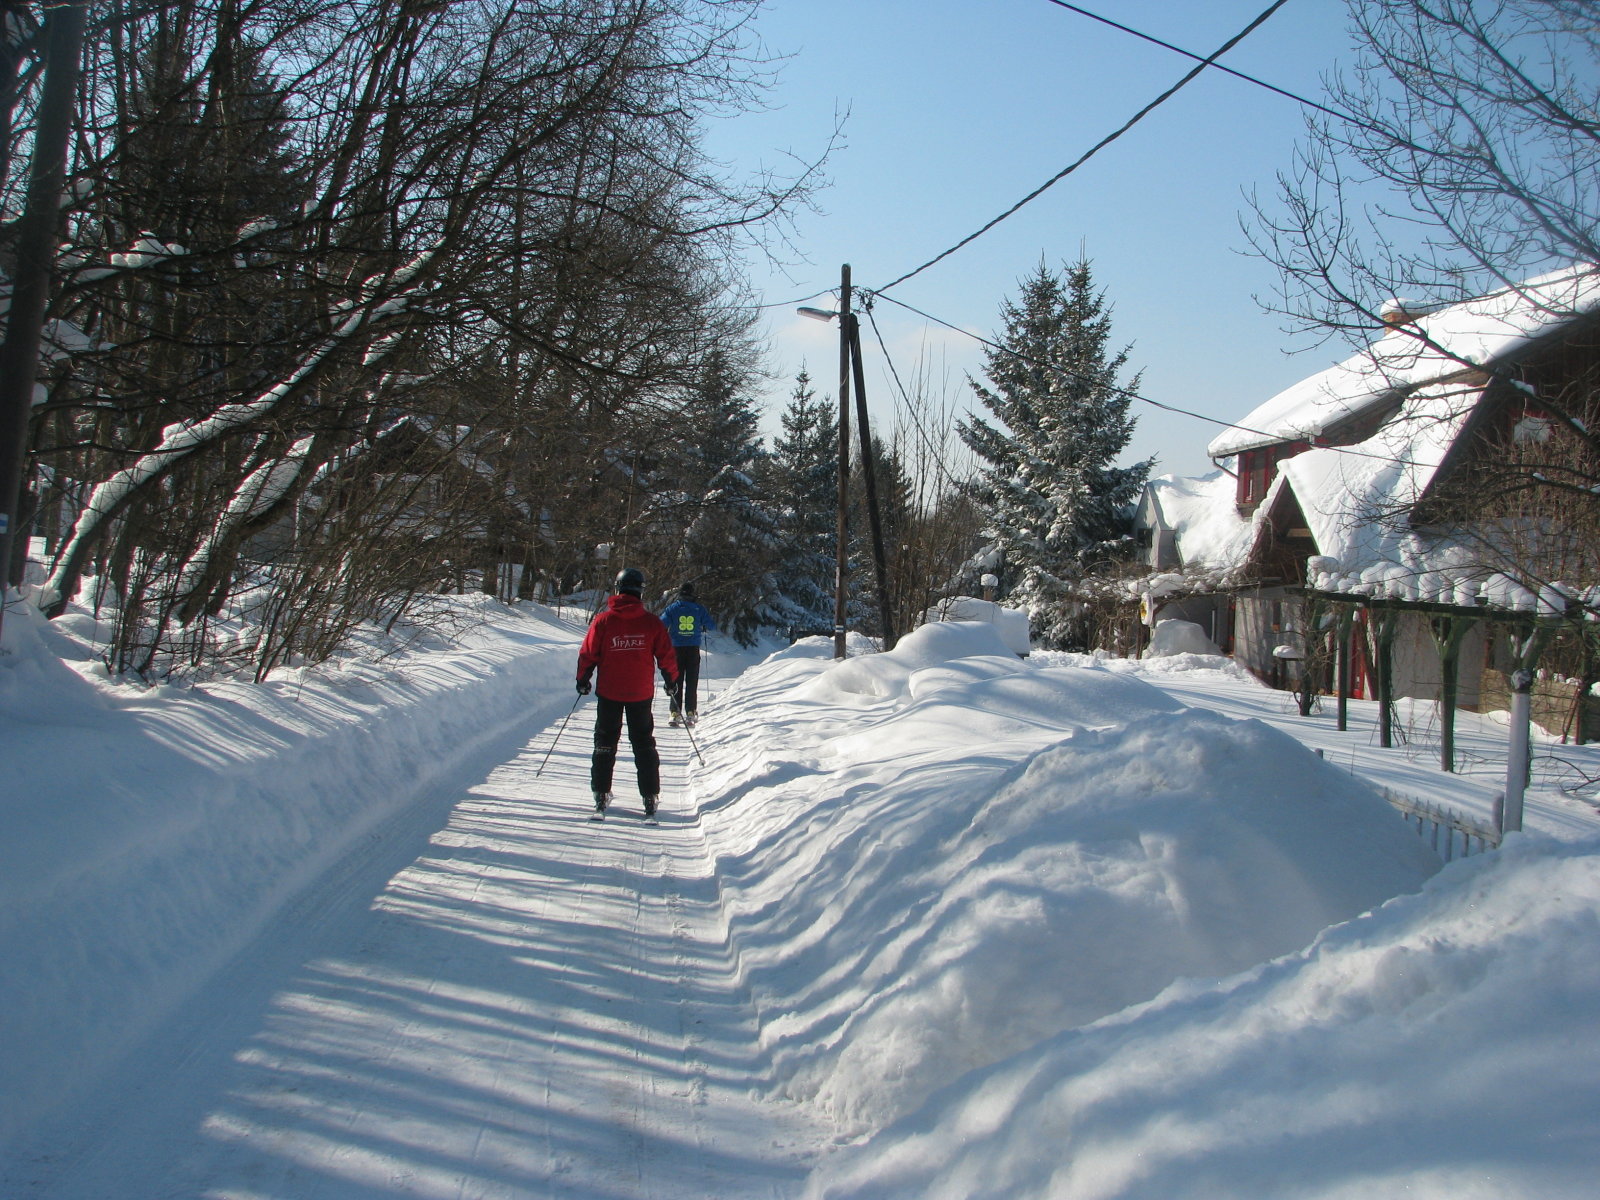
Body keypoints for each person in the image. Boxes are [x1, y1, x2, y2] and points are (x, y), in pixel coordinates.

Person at [576, 567, 678, 819]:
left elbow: (588, 653)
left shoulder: (603, 621)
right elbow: (666, 656)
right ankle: (650, 795)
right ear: (640, 592)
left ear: (617, 589)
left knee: (605, 743)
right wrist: (671, 681)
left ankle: (600, 793)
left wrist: (583, 679)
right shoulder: (652, 623)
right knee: (643, 744)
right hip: (640, 694)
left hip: (609, 692)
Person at [659, 580, 717, 727]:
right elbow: (712, 625)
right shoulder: (699, 608)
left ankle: (674, 712)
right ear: (693, 594)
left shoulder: (673, 608)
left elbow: (661, 624)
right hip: (692, 649)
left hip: (676, 649)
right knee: (692, 681)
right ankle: (690, 711)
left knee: (675, 681)